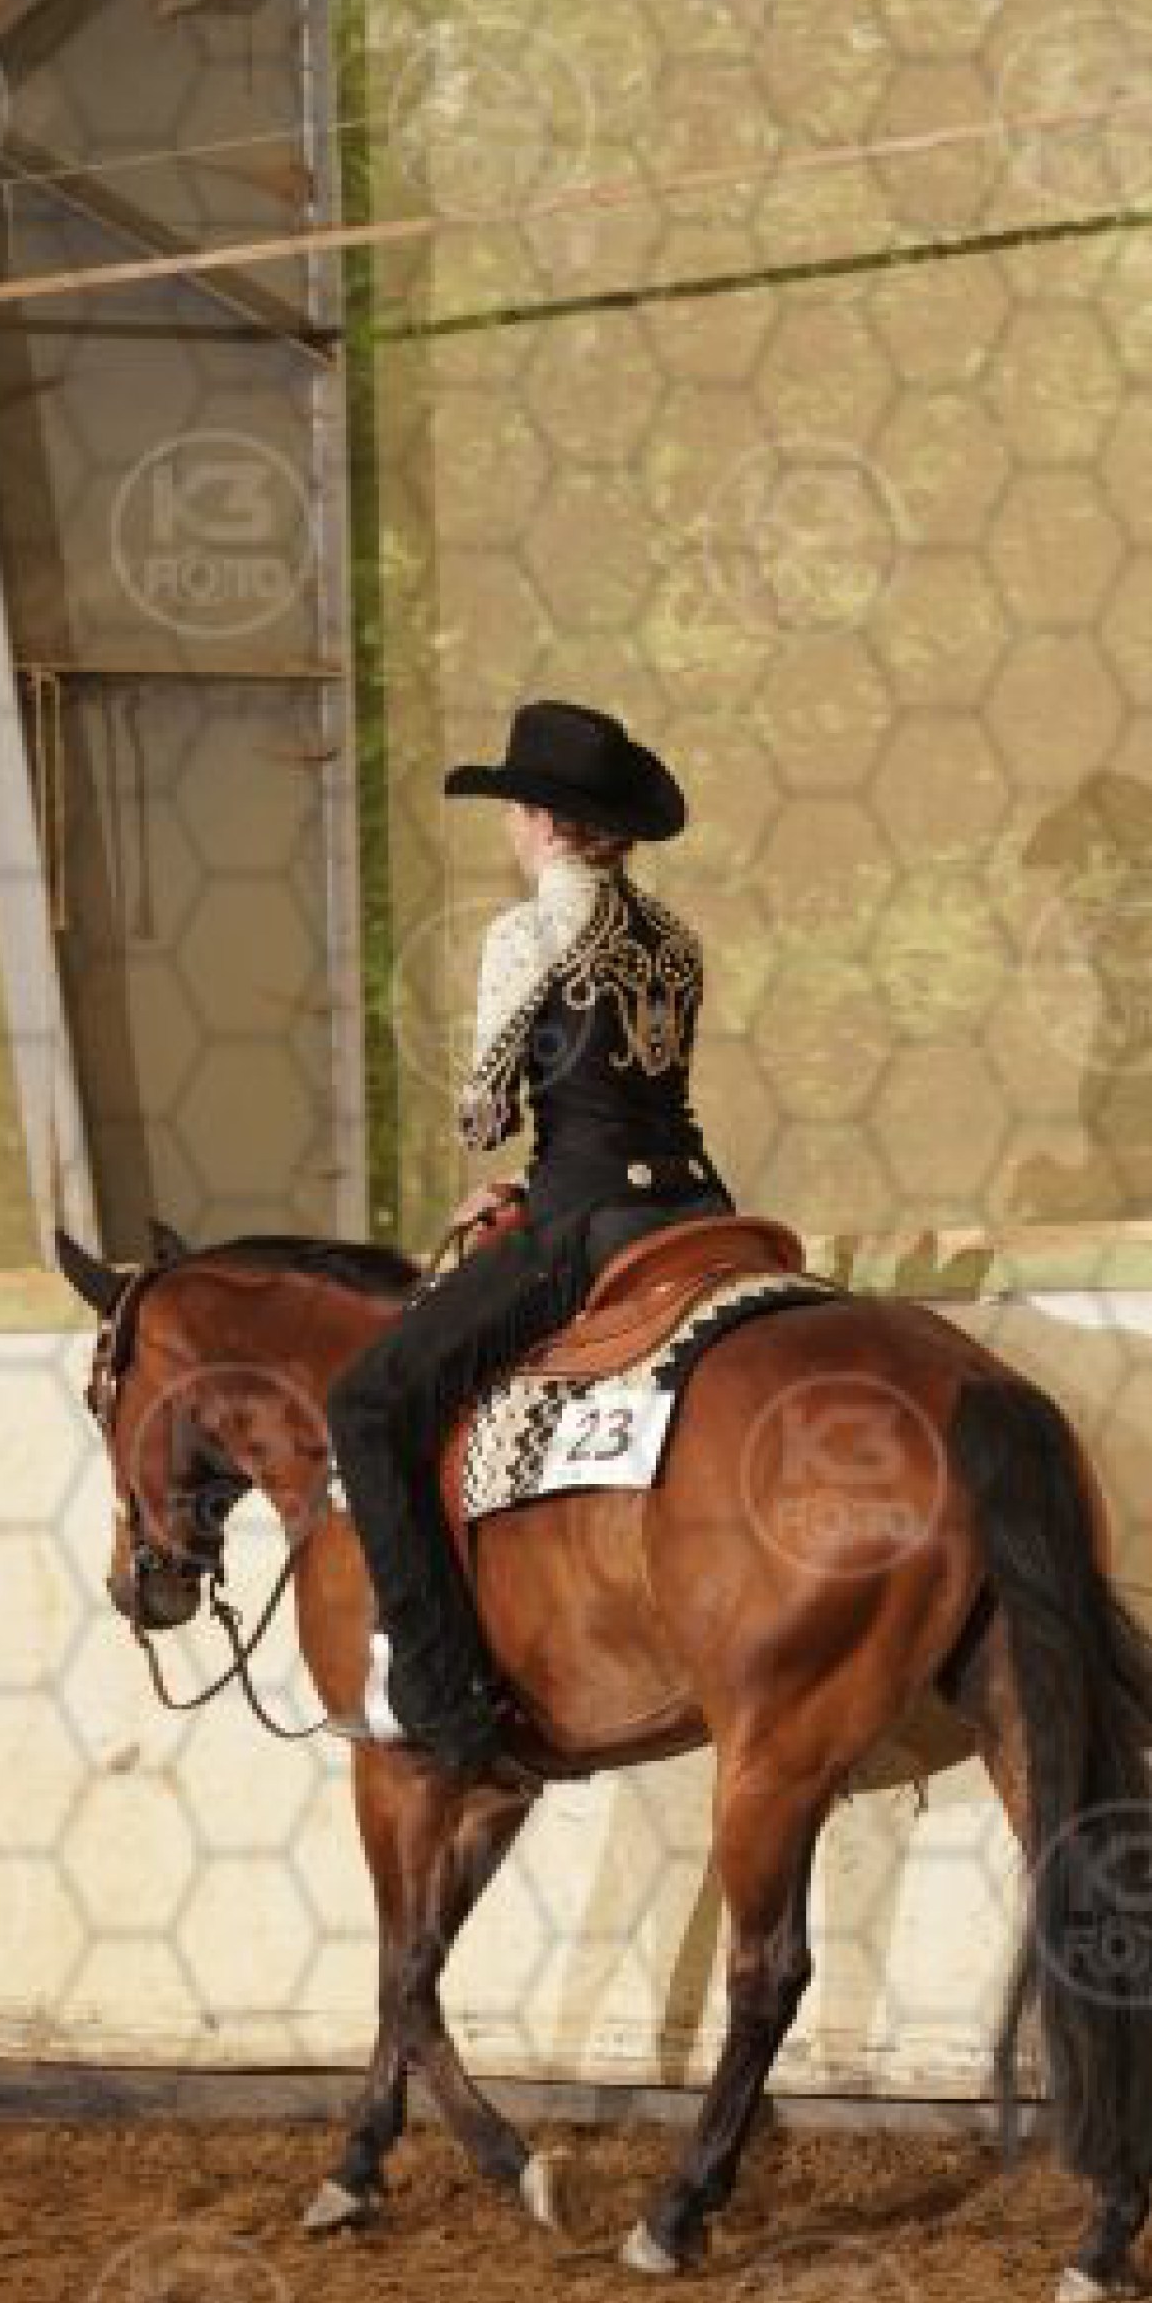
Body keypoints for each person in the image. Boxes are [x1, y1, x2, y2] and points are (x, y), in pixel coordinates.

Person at [326, 698, 736, 1781]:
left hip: (587, 1227)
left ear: (548, 823)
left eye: (515, 809)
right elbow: (634, 1099)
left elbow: (483, 1114)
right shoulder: (677, 940)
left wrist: (505, 1167)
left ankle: (442, 1697)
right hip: (701, 1210)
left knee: (366, 1405)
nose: (511, 826)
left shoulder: (527, 934)